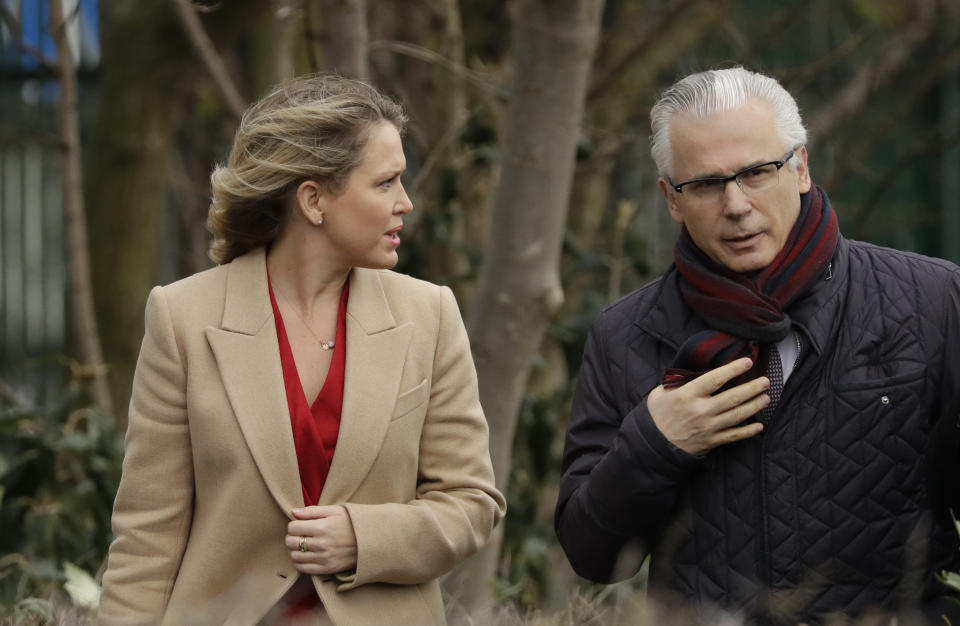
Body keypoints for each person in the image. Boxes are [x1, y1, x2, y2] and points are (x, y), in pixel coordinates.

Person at [555, 67, 960, 624]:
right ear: (671, 200)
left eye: (756, 172)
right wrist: (654, 442)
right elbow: (592, 555)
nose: (737, 204)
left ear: (800, 168)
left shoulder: (933, 301)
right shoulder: (626, 334)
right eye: (705, 184)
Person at [99, 75, 506, 625]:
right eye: (385, 183)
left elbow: (471, 504)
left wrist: (365, 538)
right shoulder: (183, 318)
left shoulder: (429, 315)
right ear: (314, 200)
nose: (405, 203)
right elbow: (147, 537)